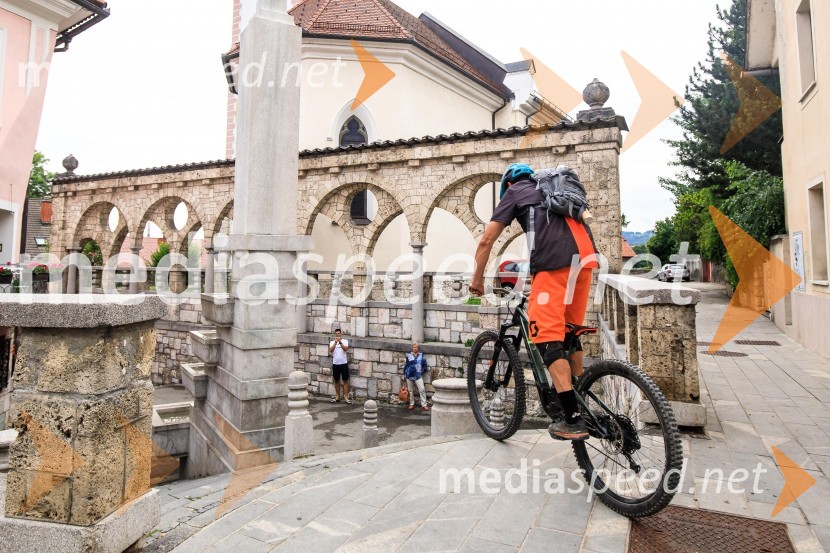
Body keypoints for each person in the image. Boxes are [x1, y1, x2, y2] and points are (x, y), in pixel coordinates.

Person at [469, 163, 598, 440]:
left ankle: (572, 419)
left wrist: (477, 279)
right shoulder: (551, 192)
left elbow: (486, 240)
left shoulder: (515, 193)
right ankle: (578, 395)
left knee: (546, 337)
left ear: (508, 185)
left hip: (554, 263)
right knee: (568, 332)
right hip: (586, 259)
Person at [404, 342, 429, 411]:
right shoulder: (409, 355)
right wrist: (405, 373)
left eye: (416, 347)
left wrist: (421, 371)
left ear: (418, 348)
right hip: (409, 375)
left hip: (418, 375)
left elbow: (424, 365)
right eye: (413, 347)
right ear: (412, 348)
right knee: (410, 390)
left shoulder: (421, 355)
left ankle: (424, 405)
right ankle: (411, 404)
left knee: (422, 389)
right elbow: (406, 365)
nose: (414, 348)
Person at [329, 328, 352, 404]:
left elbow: (345, 349)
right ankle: (337, 396)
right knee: (336, 380)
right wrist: (336, 343)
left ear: (341, 334)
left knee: (345, 380)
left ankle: (346, 397)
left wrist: (340, 342)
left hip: (343, 363)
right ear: (335, 334)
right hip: (336, 364)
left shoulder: (345, 341)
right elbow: (331, 350)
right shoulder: (332, 342)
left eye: (339, 333)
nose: (338, 334)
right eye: (336, 333)